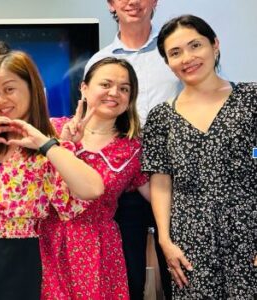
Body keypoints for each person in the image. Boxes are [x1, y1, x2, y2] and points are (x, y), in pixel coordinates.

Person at [0, 51, 105, 299]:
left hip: (22, 256)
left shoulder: (50, 141)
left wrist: (45, 145)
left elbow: (92, 189)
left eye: (9, 89)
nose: (0, 100)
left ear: (31, 87)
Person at [144, 14, 256, 299]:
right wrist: (166, 241)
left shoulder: (251, 99)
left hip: (248, 231)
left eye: (196, 45)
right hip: (190, 239)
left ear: (214, 45)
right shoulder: (161, 117)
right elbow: (160, 182)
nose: (188, 58)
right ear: (167, 62)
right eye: (175, 52)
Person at [85, 1, 181, 297]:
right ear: (110, 4)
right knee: (128, 278)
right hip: (123, 184)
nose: (133, 2)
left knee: (180, 274)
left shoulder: (175, 54)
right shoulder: (99, 61)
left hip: (174, 180)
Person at [40, 57, 149, 299]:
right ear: (84, 88)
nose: (114, 93)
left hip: (100, 249)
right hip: (46, 242)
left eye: (124, 89)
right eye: (106, 84)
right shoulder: (51, 130)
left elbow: (159, 196)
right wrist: (66, 144)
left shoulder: (133, 149)